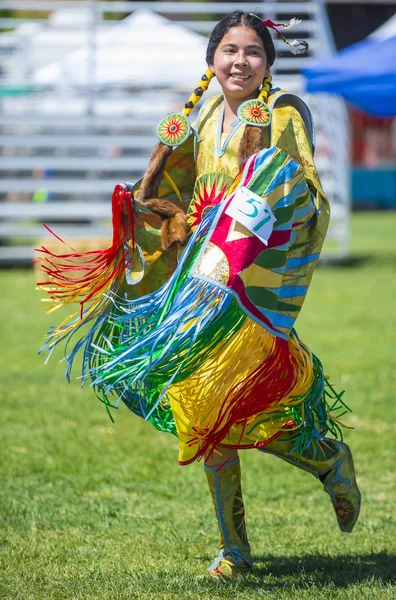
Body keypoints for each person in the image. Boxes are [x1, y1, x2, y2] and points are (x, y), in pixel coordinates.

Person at [37, 11, 361, 580]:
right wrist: (147, 213)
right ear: (211, 60)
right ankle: (235, 548)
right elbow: (174, 194)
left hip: (251, 281)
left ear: (268, 63)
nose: (240, 61)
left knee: (242, 402)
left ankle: (327, 459)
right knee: (199, 407)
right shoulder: (201, 116)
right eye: (229, 51)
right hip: (199, 282)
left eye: (253, 52)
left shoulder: (283, 112)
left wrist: (242, 225)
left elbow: (296, 182)